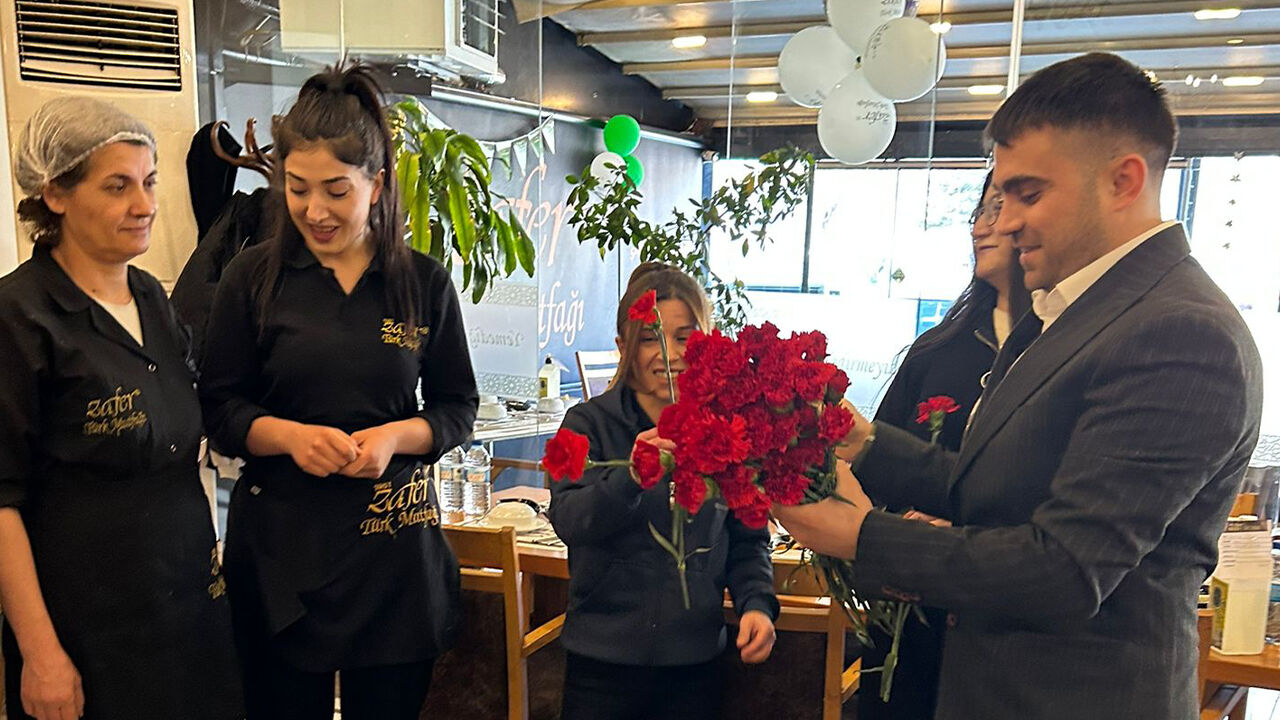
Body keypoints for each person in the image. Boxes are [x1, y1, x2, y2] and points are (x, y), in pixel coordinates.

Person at [775, 52, 1263, 719]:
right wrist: (865, 442)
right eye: (1002, 197)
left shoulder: (1181, 333)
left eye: (1029, 195)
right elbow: (995, 489)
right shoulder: (1065, 312)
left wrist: (860, 536)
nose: (1003, 222)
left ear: (1123, 181)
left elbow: (1064, 572)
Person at [199, 64, 478, 720]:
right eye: (297, 189)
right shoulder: (252, 278)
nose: (314, 211)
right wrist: (290, 438)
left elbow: (457, 407)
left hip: (394, 559)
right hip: (282, 557)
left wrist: (394, 438)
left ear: (376, 184)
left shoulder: (422, 282)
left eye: (336, 191)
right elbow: (219, 407)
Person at [0, 97, 242, 720]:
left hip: (190, 612)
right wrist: (41, 655)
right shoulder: (20, 317)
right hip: (89, 636)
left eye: (150, 182)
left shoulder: (151, 299)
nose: (145, 204)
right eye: (118, 186)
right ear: (55, 194)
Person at [548, 262, 780, 720]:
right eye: (650, 338)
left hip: (694, 664)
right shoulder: (586, 423)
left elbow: (749, 539)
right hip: (601, 665)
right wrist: (629, 479)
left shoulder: (726, 432)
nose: (669, 354)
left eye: (684, 337)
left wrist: (757, 605)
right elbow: (570, 520)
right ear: (624, 346)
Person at [860, 171, 1031, 720]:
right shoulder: (937, 351)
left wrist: (959, 529)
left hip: (1007, 633)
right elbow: (871, 469)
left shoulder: (1066, 351)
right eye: (980, 211)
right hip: (913, 623)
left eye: (999, 208)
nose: (982, 227)